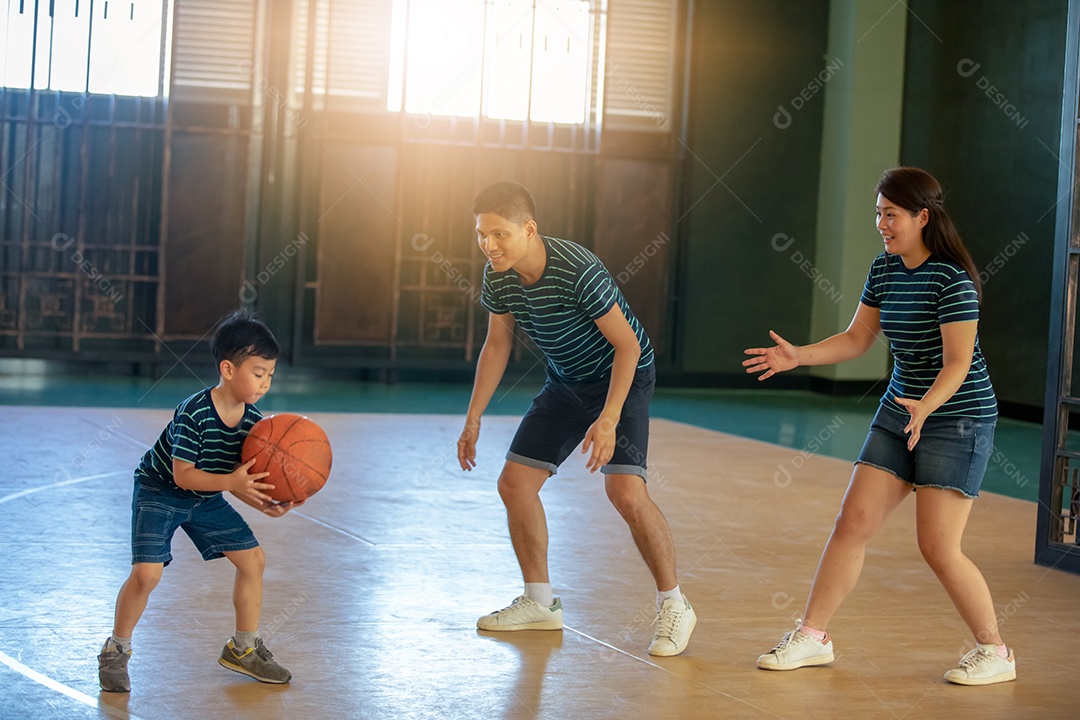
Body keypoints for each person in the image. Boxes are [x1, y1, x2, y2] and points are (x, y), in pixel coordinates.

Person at [743, 166, 1014, 685]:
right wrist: (798, 355)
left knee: (937, 547)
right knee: (852, 523)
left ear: (922, 217)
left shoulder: (952, 280)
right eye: (877, 215)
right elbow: (855, 340)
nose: (881, 224)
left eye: (891, 215)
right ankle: (812, 635)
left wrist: (926, 408)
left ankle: (995, 650)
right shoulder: (885, 269)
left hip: (956, 416)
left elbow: (958, 363)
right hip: (900, 408)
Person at [457, 180, 696, 656]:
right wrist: (474, 417)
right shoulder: (497, 275)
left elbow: (627, 346)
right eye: (482, 234)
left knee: (625, 491)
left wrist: (608, 419)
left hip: (621, 376)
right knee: (514, 483)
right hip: (566, 382)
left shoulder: (577, 269)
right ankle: (540, 603)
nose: (489, 245)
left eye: (500, 234)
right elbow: (497, 344)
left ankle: (674, 604)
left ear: (529, 229)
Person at [97, 309, 302, 692]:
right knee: (147, 575)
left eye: (270, 375)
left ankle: (243, 649)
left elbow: (240, 480)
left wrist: (268, 505)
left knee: (253, 560)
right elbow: (182, 474)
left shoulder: (254, 423)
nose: (265, 384)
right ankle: (116, 650)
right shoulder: (194, 411)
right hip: (160, 491)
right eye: (258, 373)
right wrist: (231, 481)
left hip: (204, 495)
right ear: (228, 368)